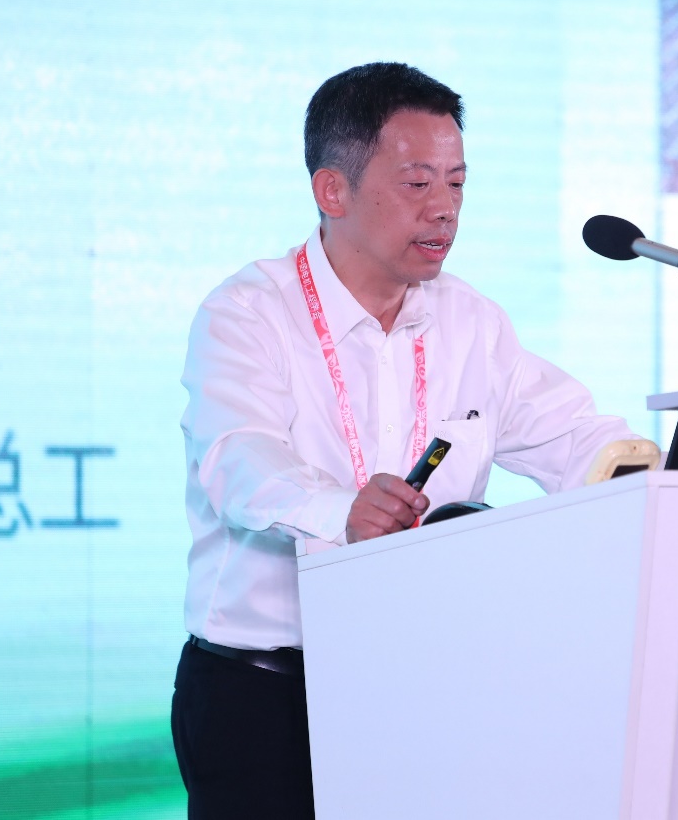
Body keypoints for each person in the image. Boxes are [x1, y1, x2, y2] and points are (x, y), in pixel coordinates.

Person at [171, 62, 635, 820]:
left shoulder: (472, 322)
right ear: (333, 191)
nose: (444, 209)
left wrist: (654, 477)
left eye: (457, 183)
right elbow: (239, 461)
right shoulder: (247, 314)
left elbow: (575, 435)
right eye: (418, 183)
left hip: (426, 692)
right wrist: (341, 511)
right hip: (267, 697)